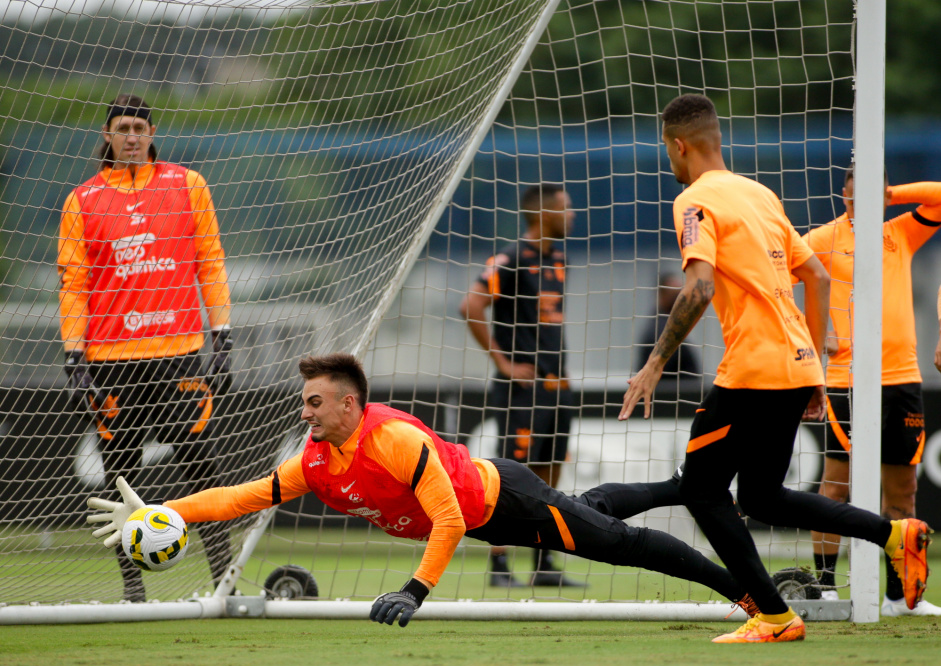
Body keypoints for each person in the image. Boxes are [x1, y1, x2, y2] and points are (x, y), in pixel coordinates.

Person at [88, 352, 760, 627]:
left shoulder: (396, 441)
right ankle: (676, 486)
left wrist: (414, 591)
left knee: (619, 546)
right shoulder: (316, 459)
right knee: (595, 511)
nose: (305, 412)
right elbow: (241, 497)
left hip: (506, 499)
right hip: (487, 512)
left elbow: (446, 521)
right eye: (304, 402)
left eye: (315, 402)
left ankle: (748, 595)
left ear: (350, 405)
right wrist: (163, 509)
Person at [619, 93, 931, 643]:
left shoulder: (694, 201)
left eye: (667, 150)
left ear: (678, 145)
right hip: (794, 367)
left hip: (752, 371)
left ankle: (775, 615)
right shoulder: (760, 194)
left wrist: (653, 365)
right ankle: (892, 533)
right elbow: (818, 277)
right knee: (762, 497)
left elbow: (699, 286)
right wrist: (811, 363)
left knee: (702, 488)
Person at [59, 94, 234, 601]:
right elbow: (74, 285)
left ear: (151, 133)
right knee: (122, 482)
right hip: (111, 361)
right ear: (108, 136)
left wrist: (221, 338)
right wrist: (74, 355)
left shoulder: (188, 184)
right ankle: (133, 594)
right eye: (122, 128)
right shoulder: (83, 200)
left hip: (179, 354)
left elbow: (211, 264)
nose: (132, 136)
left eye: (139, 127)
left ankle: (223, 580)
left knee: (202, 466)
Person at [804, 168, 941, 616]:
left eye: (869, 195)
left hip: (902, 380)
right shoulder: (825, 238)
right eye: (852, 194)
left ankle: (900, 598)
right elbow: (777, 273)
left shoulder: (898, 232)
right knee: (835, 486)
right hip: (847, 381)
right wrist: (812, 331)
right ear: (842, 196)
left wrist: (892, 193)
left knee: (902, 493)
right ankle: (825, 589)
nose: (859, 202)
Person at [460, 183, 583, 588]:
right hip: (522, 391)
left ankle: (544, 563)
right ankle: (498, 564)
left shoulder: (560, 255)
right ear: (542, 214)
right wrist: (503, 362)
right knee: (512, 475)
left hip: (557, 386)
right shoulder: (510, 258)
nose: (573, 214)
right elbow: (471, 306)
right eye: (565, 207)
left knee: (549, 475)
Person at [635, 271, 702, 382]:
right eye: (675, 295)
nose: (681, 300)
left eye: (681, 295)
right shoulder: (661, 331)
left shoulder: (669, 326)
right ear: (662, 295)